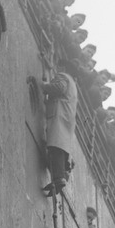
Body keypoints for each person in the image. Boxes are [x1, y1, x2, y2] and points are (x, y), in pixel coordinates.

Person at [42, 66, 79, 196]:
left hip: (59, 114)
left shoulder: (63, 76)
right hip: (67, 118)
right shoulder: (74, 85)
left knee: (55, 146)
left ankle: (58, 178)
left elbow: (59, 88)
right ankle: (61, 174)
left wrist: (44, 86)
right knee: (61, 147)